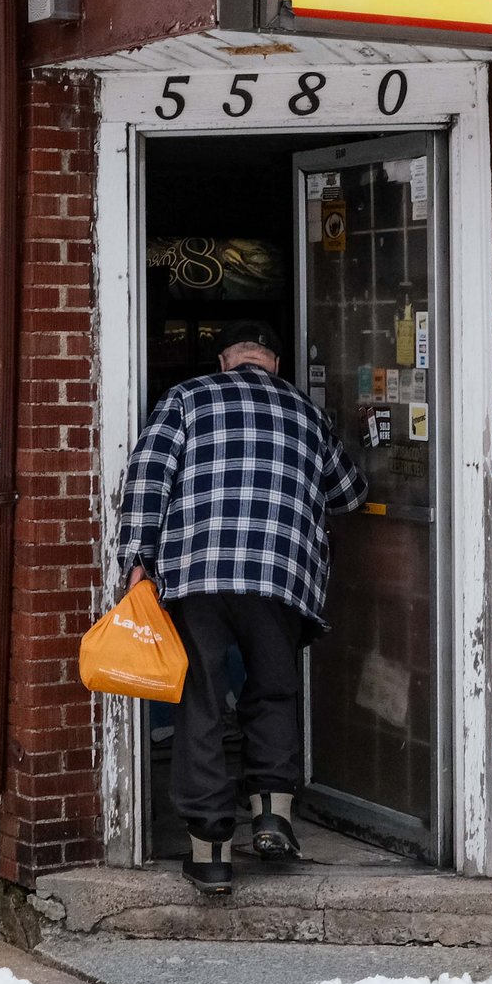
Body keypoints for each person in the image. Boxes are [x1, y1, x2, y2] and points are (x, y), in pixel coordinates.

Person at [116, 320, 365, 894]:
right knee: (272, 690)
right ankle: (272, 815)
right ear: (273, 362)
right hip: (281, 578)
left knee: (200, 703)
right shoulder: (306, 412)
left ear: (227, 358)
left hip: (196, 575)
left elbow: (148, 478)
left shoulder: (186, 398)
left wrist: (136, 558)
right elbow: (350, 493)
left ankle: (211, 855)